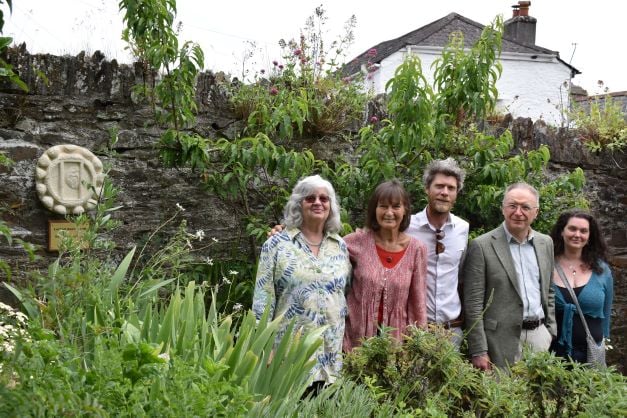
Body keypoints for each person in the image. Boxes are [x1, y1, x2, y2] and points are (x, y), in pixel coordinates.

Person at [252, 175, 351, 389]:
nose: (318, 202)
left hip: (331, 361)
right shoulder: (276, 245)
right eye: (310, 198)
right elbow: (263, 302)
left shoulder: (340, 247)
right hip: (288, 358)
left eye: (324, 199)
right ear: (299, 204)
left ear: (331, 206)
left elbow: (344, 296)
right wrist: (264, 349)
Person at [463, 182, 556, 370]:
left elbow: (549, 290)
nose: (518, 212)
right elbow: (473, 304)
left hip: (539, 337)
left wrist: (550, 330)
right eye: (512, 206)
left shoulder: (545, 243)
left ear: (536, 212)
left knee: (535, 398)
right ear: (503, 209)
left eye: (525, 207)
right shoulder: (482, 246)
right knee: (502, 397)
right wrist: (479, 350)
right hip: (498, 342)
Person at [343, 180, 428, 351]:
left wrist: (418, 346)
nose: (389, 212)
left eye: (396, 206)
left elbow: (417, 303)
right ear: (374, 210)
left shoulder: (416, 250)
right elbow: (321, 245)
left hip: (394, 348)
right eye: (383, 206)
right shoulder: (355, 242)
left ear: (405, 211)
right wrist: (286, 232)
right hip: (355, 345)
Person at [406, 158, 469, 349]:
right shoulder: (407, 227)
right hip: (415, 331)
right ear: (427, 188)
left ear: (456, 193)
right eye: (439, 186)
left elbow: (460, 275)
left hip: (451, 331)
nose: (444, 192)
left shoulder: (462, 228)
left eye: (451, 188)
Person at [549, 210, 613, 364]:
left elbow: (606, 313)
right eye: (572, 229)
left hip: (591, 354)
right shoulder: (546, 266)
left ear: (590, 236)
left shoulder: (602, 271)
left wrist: (602, 346)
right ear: (562, 232)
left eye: (583, 231)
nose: (577, 234)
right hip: (552, 354)